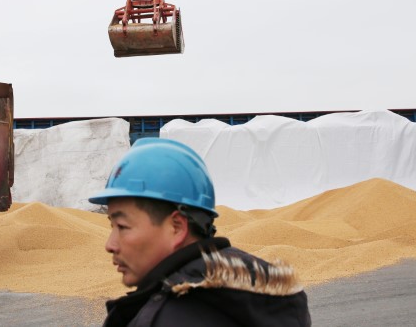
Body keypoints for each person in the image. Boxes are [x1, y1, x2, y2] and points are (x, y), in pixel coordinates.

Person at [89, 138, 311, 327]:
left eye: (122, 227)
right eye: (112, 226)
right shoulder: (256, 302)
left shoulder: (169, 318)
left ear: (176, 228)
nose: (111, 244)